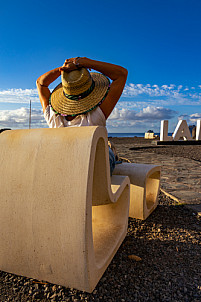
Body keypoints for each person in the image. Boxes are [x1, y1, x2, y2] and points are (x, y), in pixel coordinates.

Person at [36, 57, 128, 175]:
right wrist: (83, 62)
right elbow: (121, 74)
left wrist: (63, 69)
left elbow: (40, 83)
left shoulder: (53, 117)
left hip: (64, 168)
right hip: (94, 172)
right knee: (107, 152)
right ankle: (112, 151)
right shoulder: (95, 116)